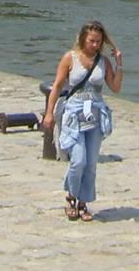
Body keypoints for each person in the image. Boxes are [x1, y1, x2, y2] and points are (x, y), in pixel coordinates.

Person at [42, 20, 123, 221]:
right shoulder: (70, 58)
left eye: (98, 42)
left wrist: (118, 64)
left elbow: (115, 86)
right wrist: (49, 114)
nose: (95, 45)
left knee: (91, 163)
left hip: (95, 112)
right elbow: (58, 86)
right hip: (74, 111)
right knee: (78, 160)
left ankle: (84, 202)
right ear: (82, 39)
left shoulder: (103, 62)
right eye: (91, 41)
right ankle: (71, 196)